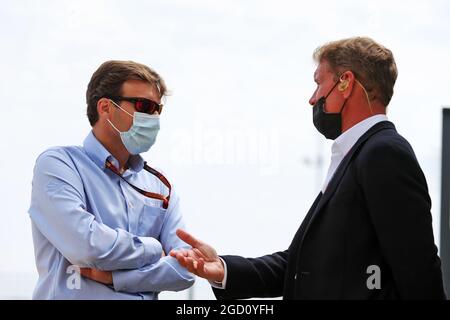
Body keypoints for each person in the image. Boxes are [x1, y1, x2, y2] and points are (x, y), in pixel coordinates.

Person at [170, 37, 447, 299]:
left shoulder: (383, 153)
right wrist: (223, 269)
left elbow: (418, 271)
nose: (313, 99)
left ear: (345, 83)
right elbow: (302, 265)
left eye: (318, 84)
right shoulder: (357, 156)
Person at [29, 60, 194, 299]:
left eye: (158, 109)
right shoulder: (58, 165)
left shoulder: (160, 185)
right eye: (143, 105)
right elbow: (86, 247)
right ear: (106, 107)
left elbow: (185, 269)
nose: (154, 116)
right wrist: (154, 248)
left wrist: (118, 278)